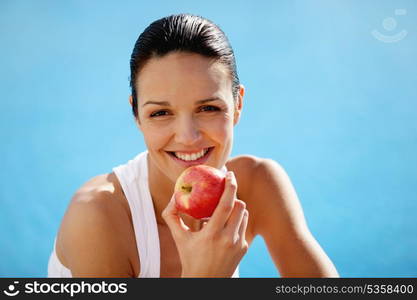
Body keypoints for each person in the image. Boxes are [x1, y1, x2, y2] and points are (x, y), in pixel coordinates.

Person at [48, 13, 339, 278]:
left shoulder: (258, 185)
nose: (187, 137)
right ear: (136, 114)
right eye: (160, 113)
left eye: (209, 108)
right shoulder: (98, 217)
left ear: (238, 104)